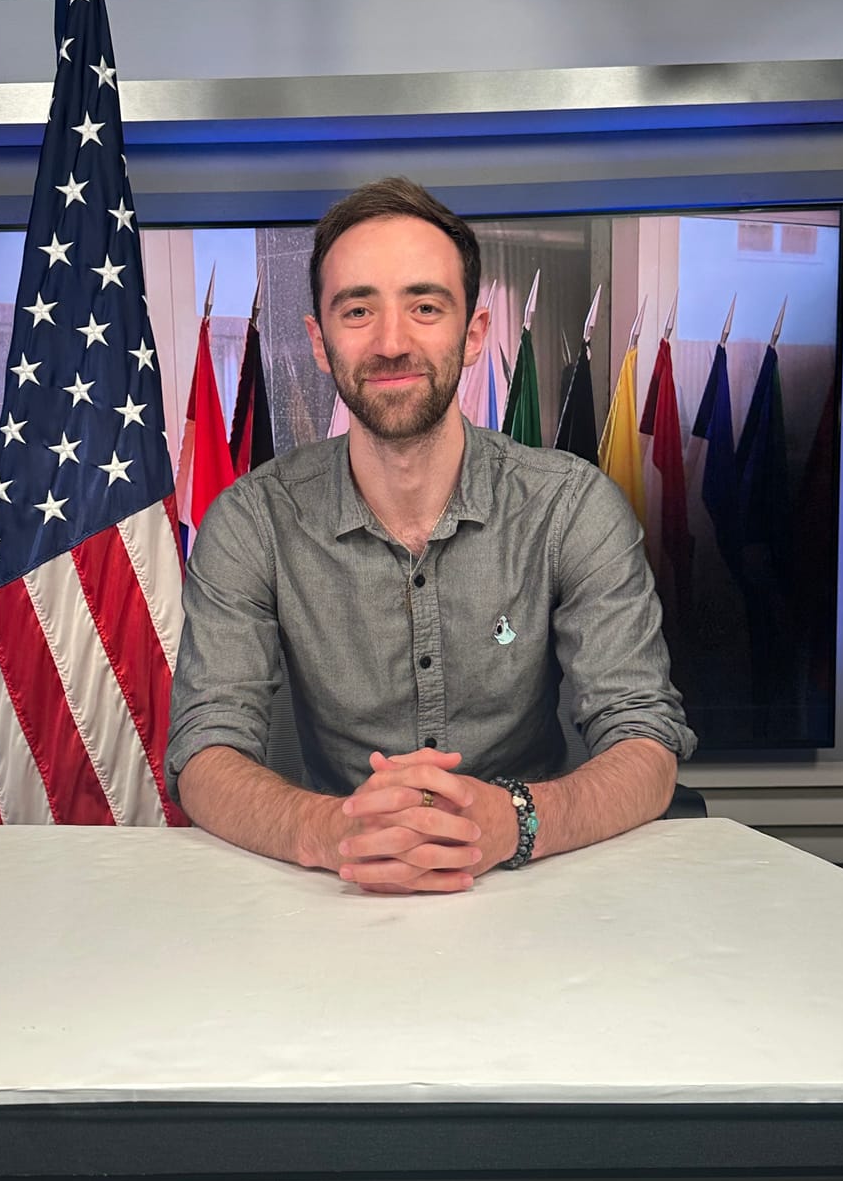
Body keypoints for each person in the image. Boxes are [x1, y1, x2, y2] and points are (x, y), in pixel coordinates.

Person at [166, 178, 696, 894]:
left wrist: (514, 820)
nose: (391, 342)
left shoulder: (572, 508)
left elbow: (646, 739)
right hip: (335, 892)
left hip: (538, 884)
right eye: (358, 309)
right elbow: (205, 750)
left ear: (472, 334)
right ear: (319, 342)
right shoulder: (251, 522)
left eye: (424, 306)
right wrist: (331, 830)